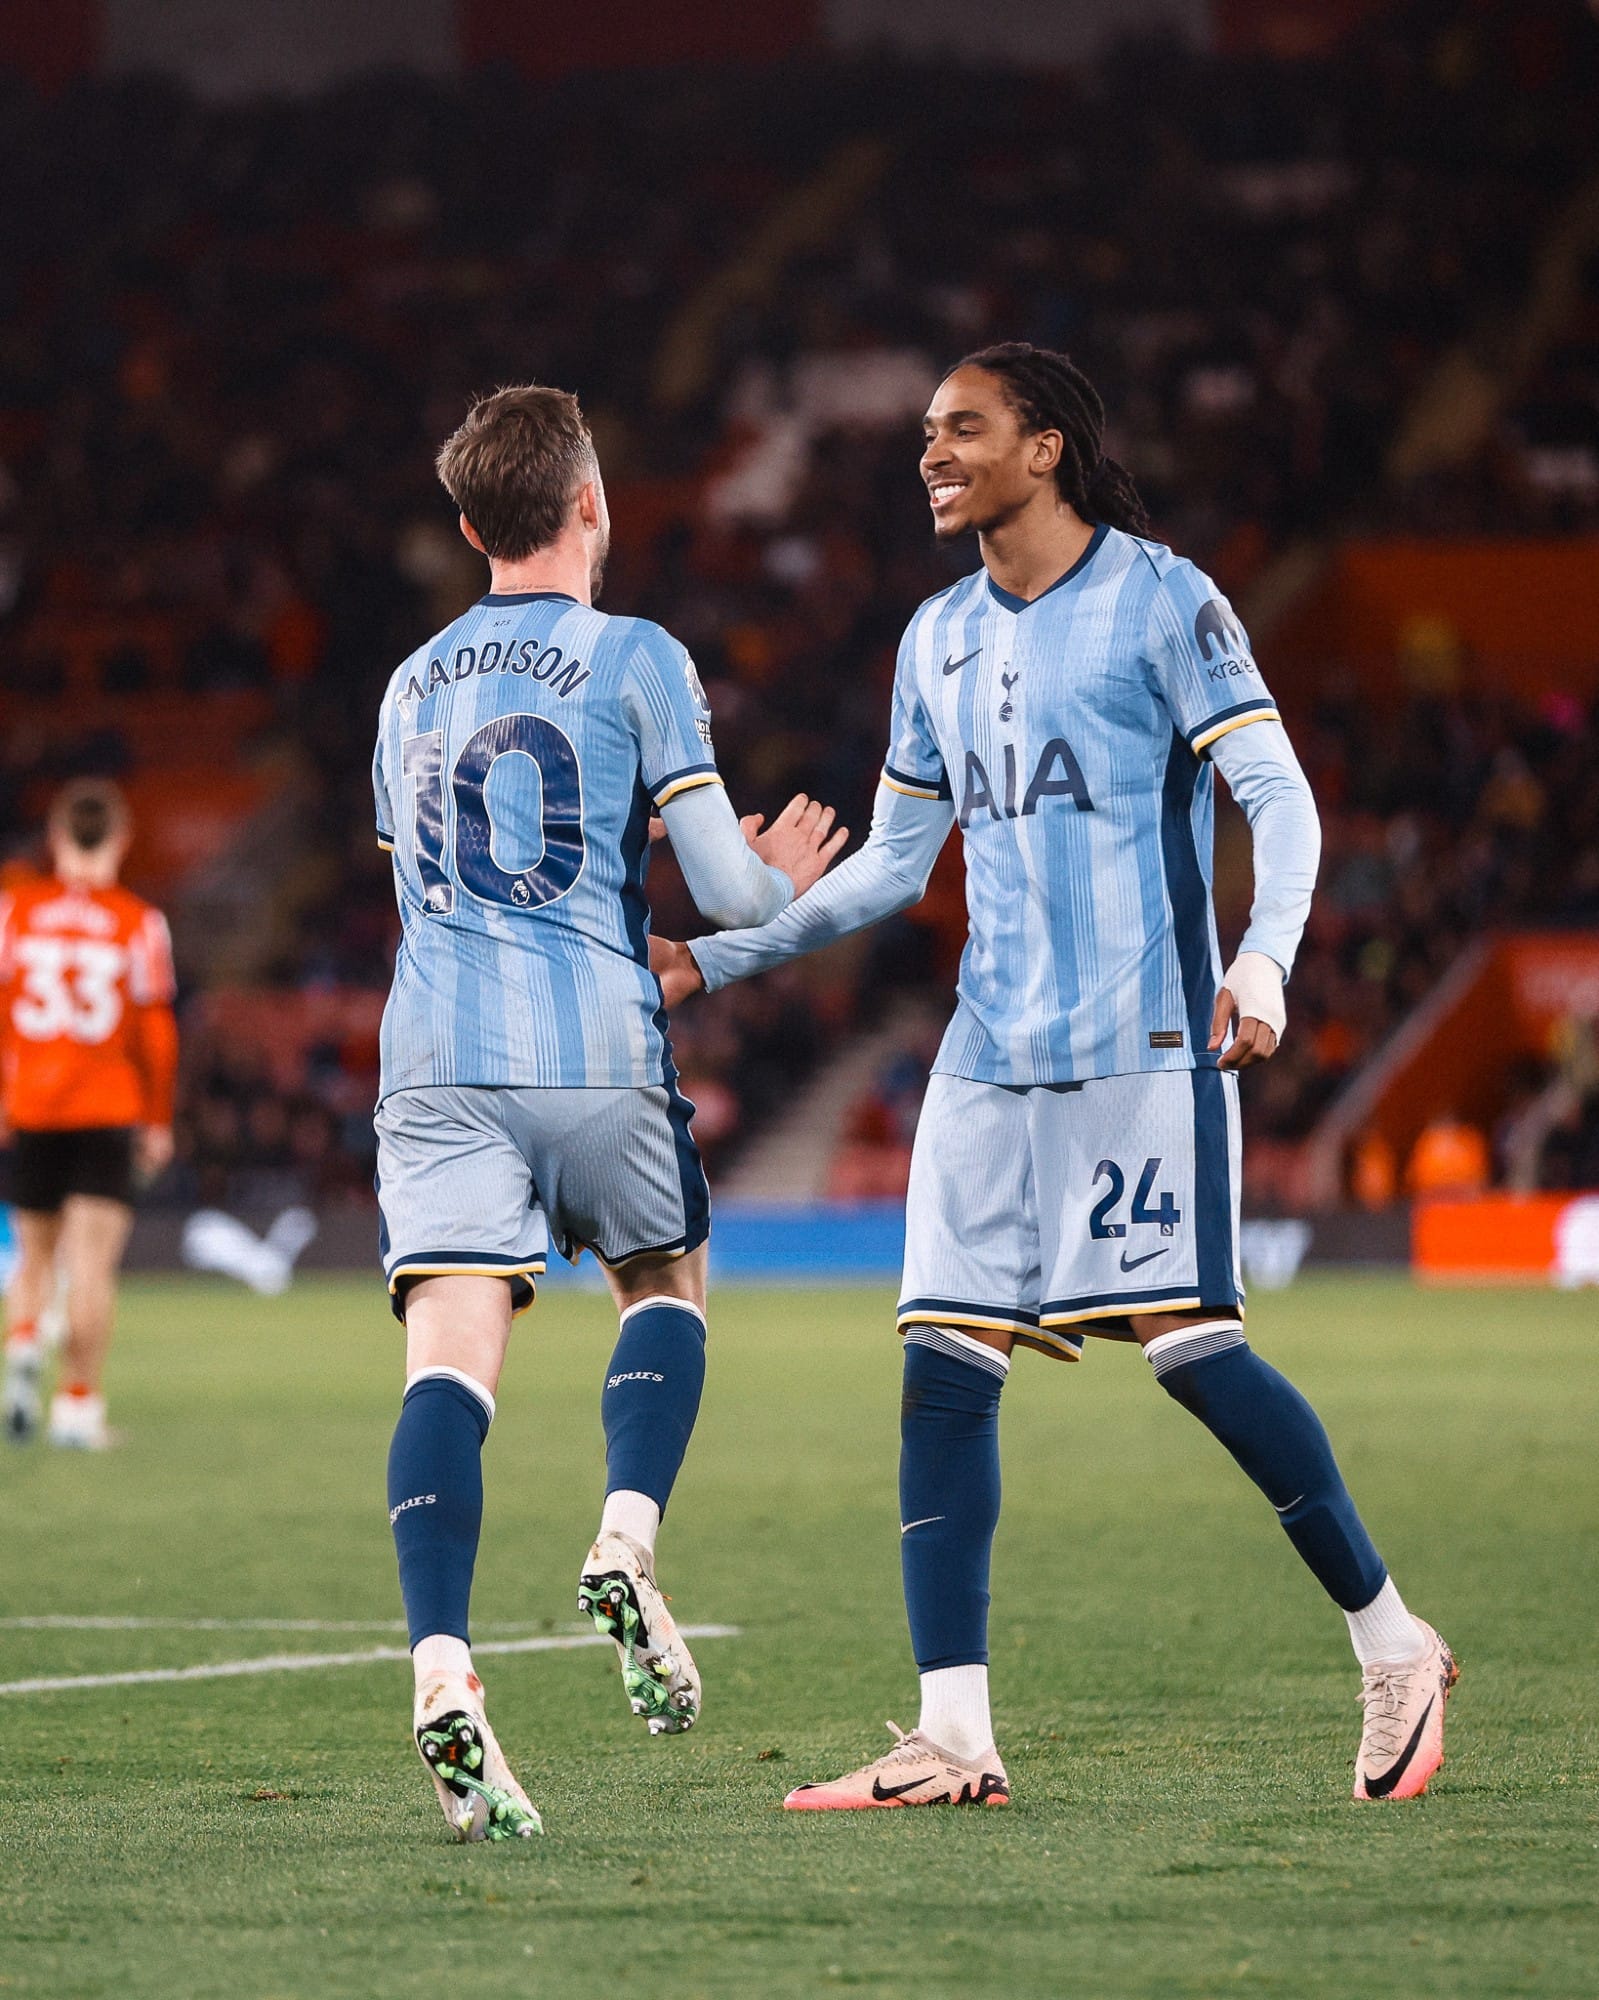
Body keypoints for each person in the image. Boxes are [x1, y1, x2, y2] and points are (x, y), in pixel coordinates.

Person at [653, 342, 1457, 1811]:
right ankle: (952, 1735)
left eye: (961, 427)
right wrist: (717, 958)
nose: (929, 451)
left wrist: (1264, 959)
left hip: (1142, 1041)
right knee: (940, 1366)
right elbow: (898, 864)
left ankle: (1392, 1643)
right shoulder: (932, 638)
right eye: (922, 431)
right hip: (983, 1056)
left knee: (1189, 1347)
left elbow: (1271, 793)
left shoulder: (1163, 600)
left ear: (1044, 448)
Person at [372, 384, 844, 1841]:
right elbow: (731, 894)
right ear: (594, 506)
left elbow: (447, 861)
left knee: (447, 1369)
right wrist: (779, 873)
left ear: (467, 528)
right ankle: (626, 1540)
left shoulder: (403, 685)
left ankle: (442, 1668)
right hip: (591, 1045)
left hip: (437, 1060)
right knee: (665, 1285)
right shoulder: (637, 656)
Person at [0, 782, 177, 1450]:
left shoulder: (16, 912)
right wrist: (158, 1119)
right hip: (106, 1108)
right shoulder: (138, 921)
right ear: (121, 839)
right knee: (92, 1264)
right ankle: (77, 1407)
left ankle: (22, 1342)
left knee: (33, 1258)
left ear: (55, 836)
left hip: (35, 1107)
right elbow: (156, 1033)